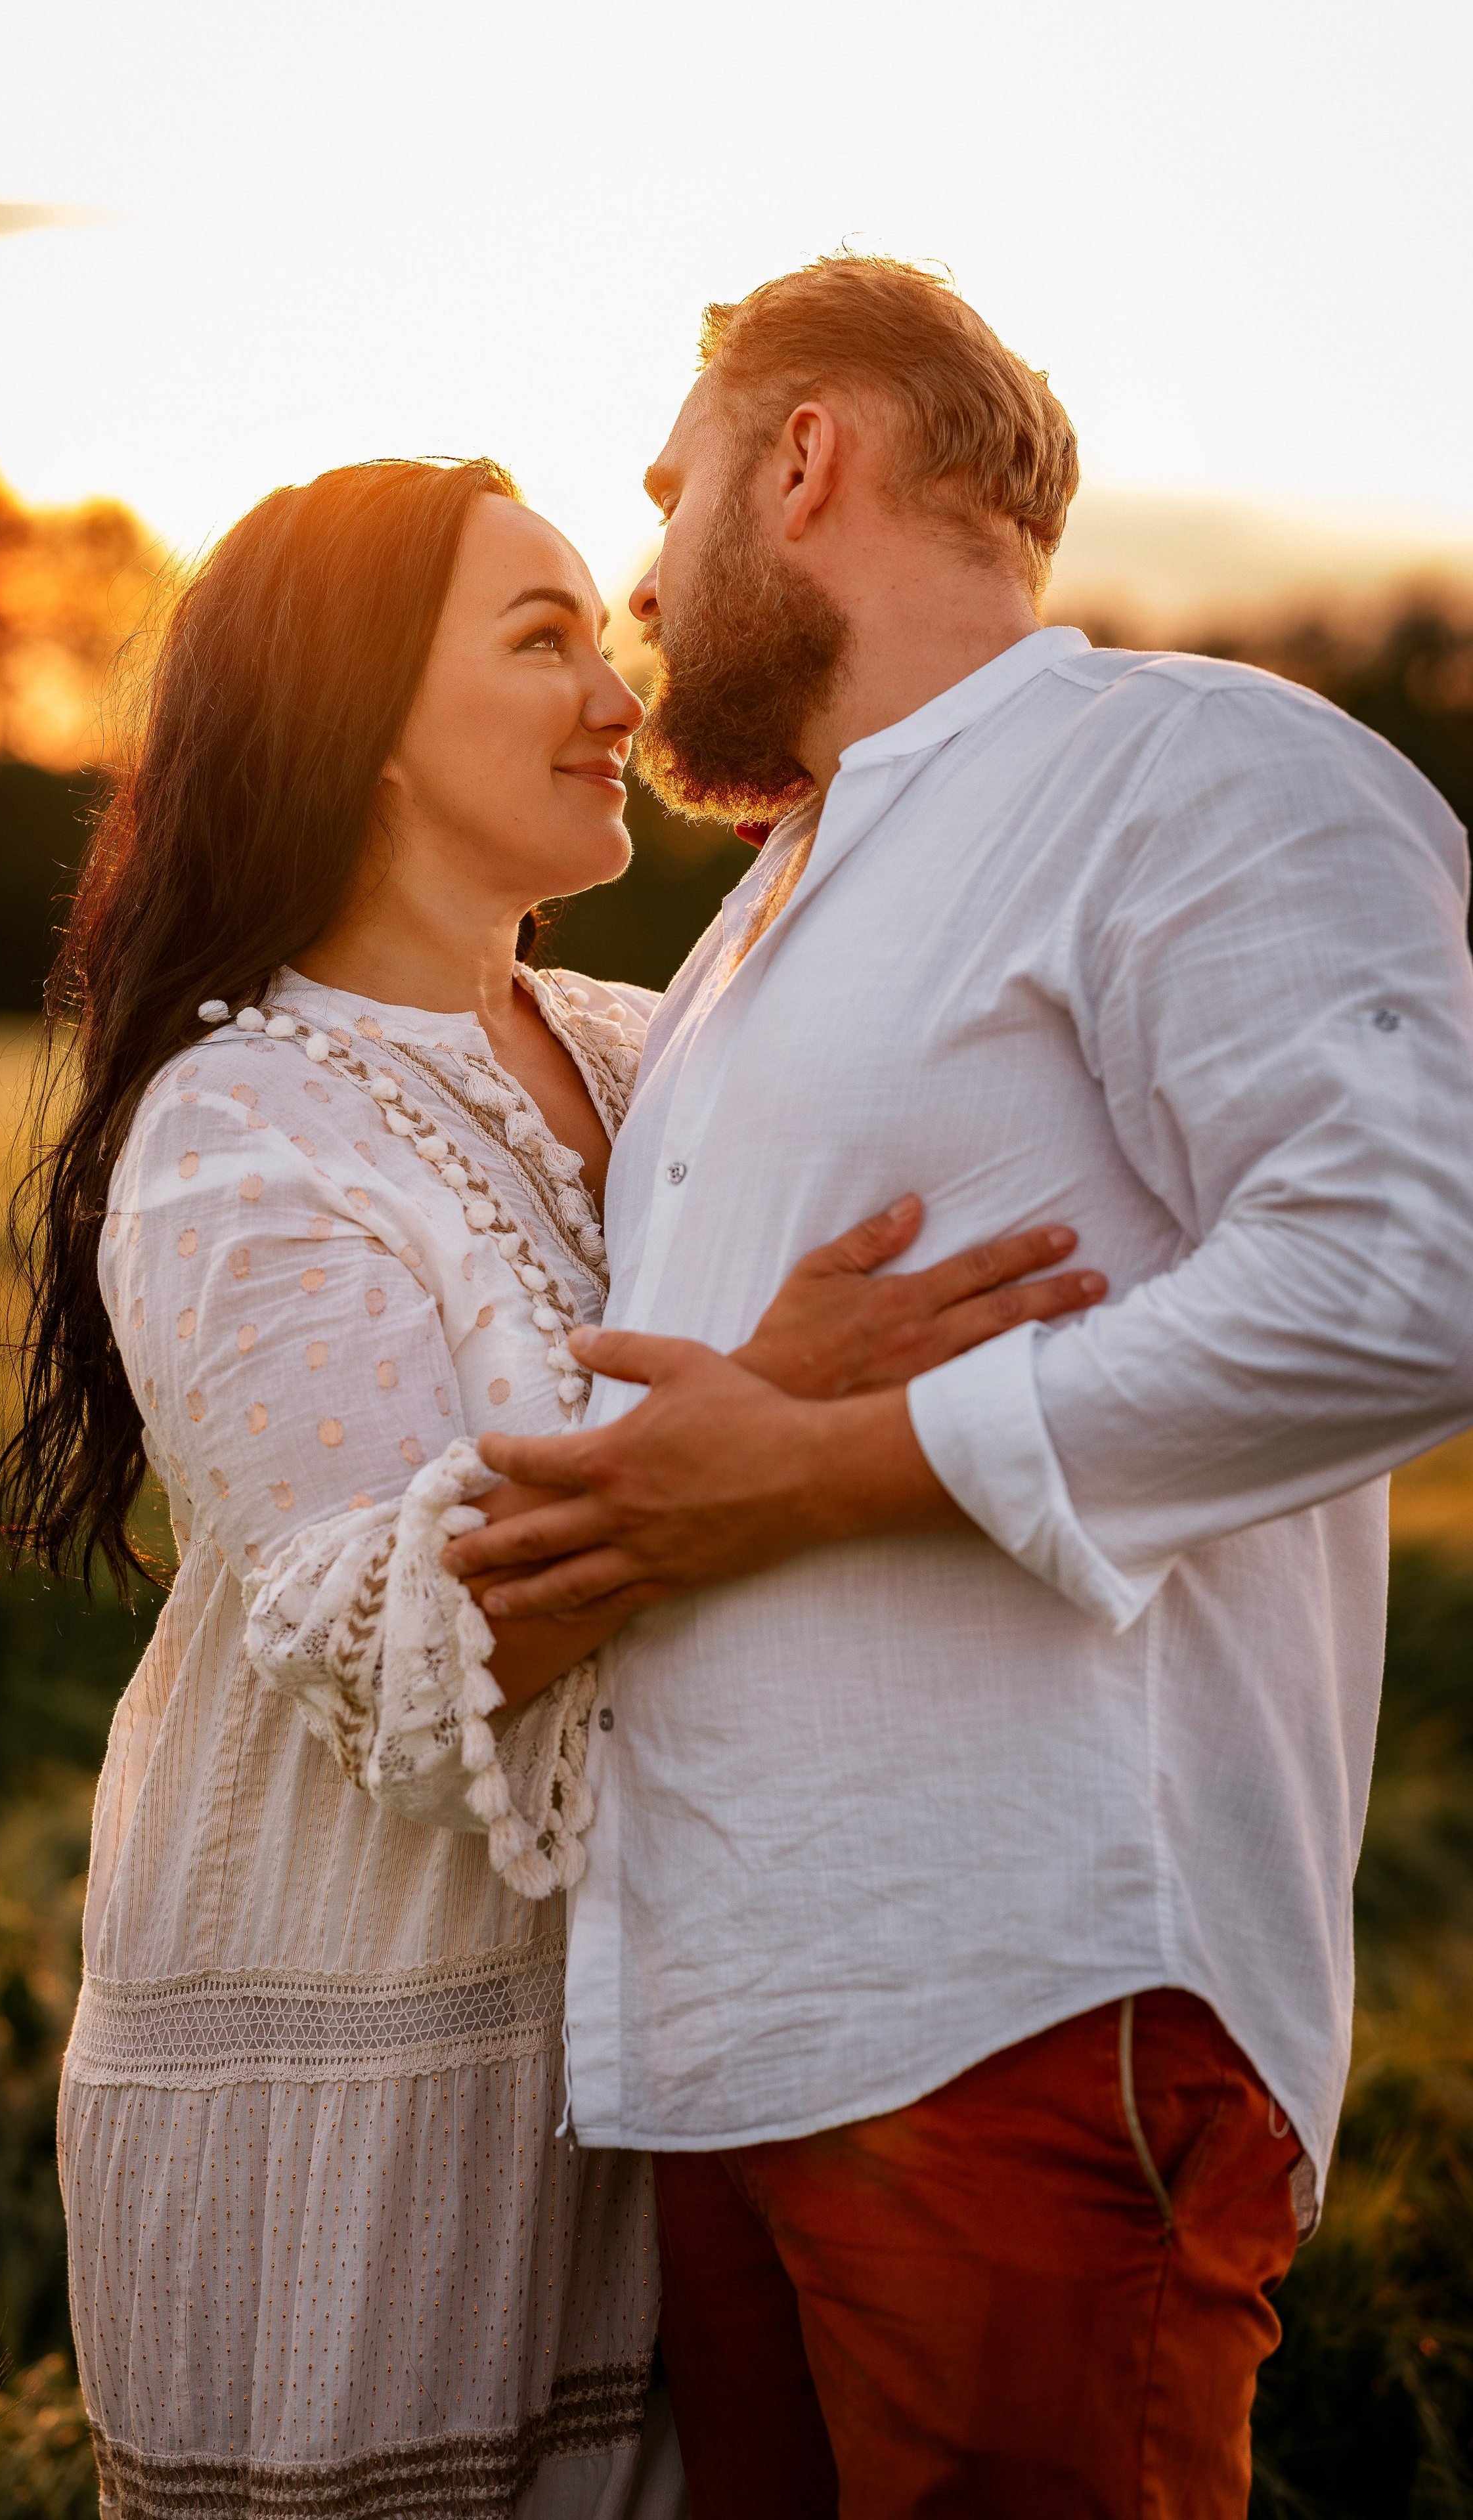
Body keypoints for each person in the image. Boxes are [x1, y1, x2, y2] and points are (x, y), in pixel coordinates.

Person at [441, 254, 1473, 2517]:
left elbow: (1416, 1273)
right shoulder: (754, 917)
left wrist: (824, 1471)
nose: (638, 573)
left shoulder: (1187, 766)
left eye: (669, 483)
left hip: (1022, 2017)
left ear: (803, 455)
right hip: (722, 2052)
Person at [0, 452, 1103, 2516]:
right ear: (360, 724)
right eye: (538, 640)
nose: (618, 693)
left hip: (666, 2064)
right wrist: (769, 1408)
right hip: (366, 2067)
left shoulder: (631, 1047)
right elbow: (406, 1645)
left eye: (602, 628)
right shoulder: (243, 1131)